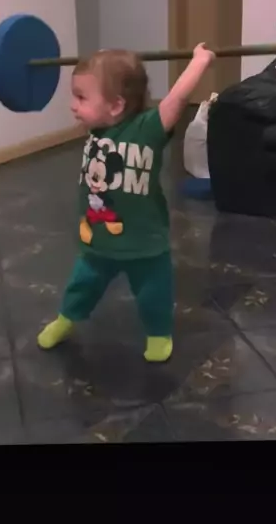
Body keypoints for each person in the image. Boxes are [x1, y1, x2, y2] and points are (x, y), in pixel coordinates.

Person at [37, 43, 215, 362]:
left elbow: (177, 99)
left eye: (81, 97)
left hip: (144, 242)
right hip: (98, 239)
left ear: (116, 105)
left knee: (153, 294)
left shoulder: (146, 129)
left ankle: (158, 335)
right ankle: (66, 319)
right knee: (81, 285)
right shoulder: (96, 131)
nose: (73, 106)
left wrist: (200, 60)